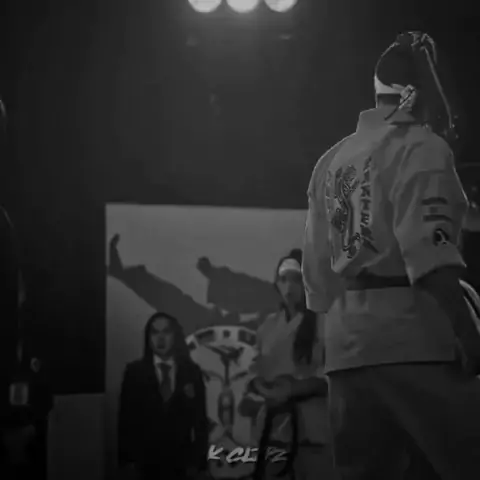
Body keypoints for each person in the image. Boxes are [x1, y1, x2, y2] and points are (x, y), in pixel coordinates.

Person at [302, 31, 480, 480]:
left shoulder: (331, 159)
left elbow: (317, 279)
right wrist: (470, 333)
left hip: (347, 352)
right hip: (417, 341)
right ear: (415, 94)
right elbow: (431, 258)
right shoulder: (422, 146)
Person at [243, 249, 335, 480]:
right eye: (283, 279)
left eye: (296, 279)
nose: (289, 286)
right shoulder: (267, 326)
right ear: (276, 283)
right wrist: (260, 386)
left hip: (312, 427)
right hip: (273, 427)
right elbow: (253, 370)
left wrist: (296, 387)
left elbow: (334, 376)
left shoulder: (325, 322)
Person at [118, 312, 210, 480]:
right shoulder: (134, 373)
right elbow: (125, 422)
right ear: (148, 337)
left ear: (175, 335)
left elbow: (200, 421)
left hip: (182, 465)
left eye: (166, 332)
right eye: (155, 332)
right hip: (144, 465)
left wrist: (200, 464)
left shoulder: (191, 371)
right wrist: (127, 462)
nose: (160, 338)